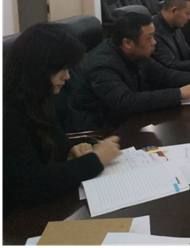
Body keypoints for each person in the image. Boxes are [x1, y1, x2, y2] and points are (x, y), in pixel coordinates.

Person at [3, 23, 121, 214]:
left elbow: (56, 142)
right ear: (38, 68)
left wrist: (71, 150)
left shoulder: (39, 98)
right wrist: (96, 159)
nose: (67, 77)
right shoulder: (8, 113)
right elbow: (28, 185)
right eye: (61, 69)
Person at [72, 13, 190, 131]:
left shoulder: (135, 53)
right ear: (128, 43)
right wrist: (178, 93)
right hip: (103, 130)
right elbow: (125, 102)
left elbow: (163, 74)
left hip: (129, 120)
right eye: (150, 37)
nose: (154, 42)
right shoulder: (103, 66)